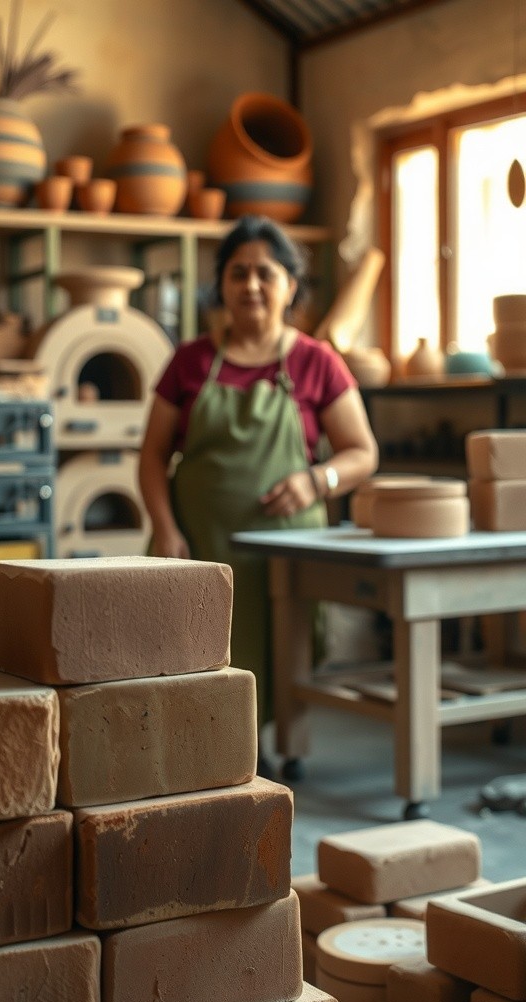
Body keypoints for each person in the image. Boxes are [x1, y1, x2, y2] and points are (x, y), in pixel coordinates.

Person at [138, 214, 379, 775]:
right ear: (220, 285)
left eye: (265, 273)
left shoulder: (316, 361)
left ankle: (268, 751)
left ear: (290, 285)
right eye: (237, 273)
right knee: (191, 656)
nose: (250, 286)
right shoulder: (190, 361)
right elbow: (151, 455)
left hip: (283, 553)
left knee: (279, 654)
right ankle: (203, 757)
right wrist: (166, 528)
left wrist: (317, 481)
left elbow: (362, 452)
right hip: (198, 545)